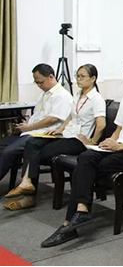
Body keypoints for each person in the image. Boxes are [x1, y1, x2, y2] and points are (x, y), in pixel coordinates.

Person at [41, 57, 123, 248]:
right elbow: (118, 129)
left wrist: (119, 146)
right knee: (86, 157)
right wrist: (109, 142)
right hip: (118, 148)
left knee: (85, 169)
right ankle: (81, 211)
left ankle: (69, 224)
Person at [3, 65, 106, 211]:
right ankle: (27, 184)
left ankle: (29, 194)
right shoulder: (78, 94)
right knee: (32, 143)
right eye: (77, 76)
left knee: (38, 153)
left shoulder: (96, 99)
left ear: (93, 78)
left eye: (82, 76)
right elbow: (70, 116)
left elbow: (101, 125)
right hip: (66, 134)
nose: (78, 79)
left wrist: (92, 142)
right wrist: (60, 130)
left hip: (78, 140)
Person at [0, 64, 72, 183]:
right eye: (36, 83)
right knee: (2, 145)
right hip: (31, 131)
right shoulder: (45, 94)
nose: (39, 86)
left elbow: (52, 119)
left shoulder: (62, 95)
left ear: (51, 77)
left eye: (41, 82)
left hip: (42, 135)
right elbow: (38, 115)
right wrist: (26, 124)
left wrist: (29, 127)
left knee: (9, 152)